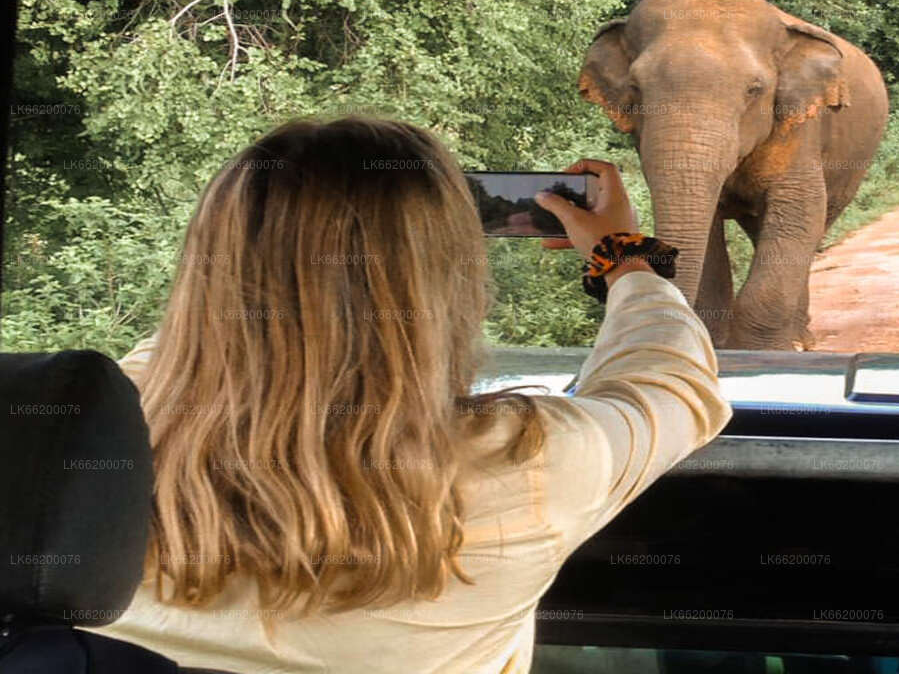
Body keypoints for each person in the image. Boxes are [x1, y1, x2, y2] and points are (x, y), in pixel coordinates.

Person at [99, 117, 733, 673]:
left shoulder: (95, 442)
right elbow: (670, 382)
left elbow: (192, 347)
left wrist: (262, 262)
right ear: (447, 282)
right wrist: (623, 259)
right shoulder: (530, 462)